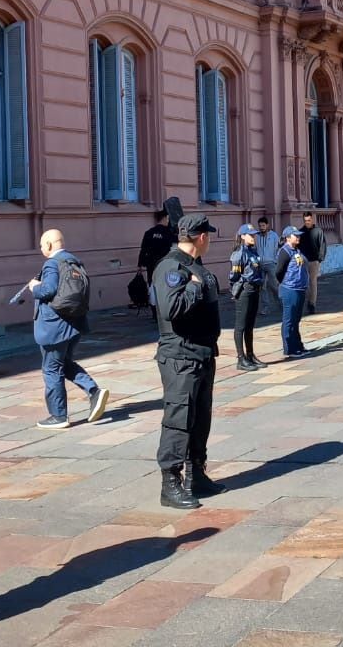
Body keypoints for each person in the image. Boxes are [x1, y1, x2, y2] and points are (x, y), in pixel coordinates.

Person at [153, 213, 224, 509]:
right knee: (178, 419)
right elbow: (172, 308)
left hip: (202, 353)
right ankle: (170, 483)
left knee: (200, 417)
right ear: (202, 237)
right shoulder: (172, 266)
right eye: (208, 235)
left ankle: (197, 473)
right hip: (181, 356)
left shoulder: (195, 265)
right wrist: (193, 287)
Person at [31, 229, 108, 430]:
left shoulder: (51, 264)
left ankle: (58, 415)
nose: (41, 249)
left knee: (51, 369)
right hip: (73, 324)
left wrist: (34, 287)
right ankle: (94, 391)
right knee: (63, 364)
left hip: (54, 327)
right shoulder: (74, 261)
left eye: (41, 245)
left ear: (48, 244)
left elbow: (48, 290)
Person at [229, 224, 265, 370]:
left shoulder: (253, 251)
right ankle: (240, 358)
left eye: (254, 235)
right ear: (243, 236)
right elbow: (234, 276)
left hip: (255, 289)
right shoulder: (239, 253)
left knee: (250, 325)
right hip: (244, 290)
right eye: (250, 235)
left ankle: (250, 355)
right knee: (241, 326)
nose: (253, 237)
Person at [276, 225, 310, 358]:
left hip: (300, 288)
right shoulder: (285, 252)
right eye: (296, 235)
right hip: (290, 289)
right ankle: (289, 348)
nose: (299, 237)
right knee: (289, 319)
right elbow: (278, 272)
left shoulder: (296, 250)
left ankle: (298, 345)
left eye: (299, 235)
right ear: (288, 238)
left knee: (296, 319)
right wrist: (285, 283)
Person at [138, 210, 177, 320]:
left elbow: (143, 250)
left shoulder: (149, 233)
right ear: (165, 218)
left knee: (153, 287)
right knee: (166, 287)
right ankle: (165, 311)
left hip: (152, 265)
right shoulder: (169, 233)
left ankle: (155, 313)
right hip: (166, 265)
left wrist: (139, 265)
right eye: (168, 218)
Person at [299, 210, 326, 314]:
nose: (307, 222)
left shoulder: (318, 231)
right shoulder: (301, 232)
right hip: (303, 261)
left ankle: (312, 304)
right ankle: (305, 301)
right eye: (305, 220)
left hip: (314, 261)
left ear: (312, 219)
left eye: (309, 220)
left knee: (313, 282)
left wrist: (320, 259)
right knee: (304, 283)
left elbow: (322, 245)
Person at [255, 215, 281, 314]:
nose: (261, 228)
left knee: (274, 285)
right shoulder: (256, 236)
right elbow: (255, 249)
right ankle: (266, 307)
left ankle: (280, 304)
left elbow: (278, 248)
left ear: (267, 225)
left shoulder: (273, 235)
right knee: (262, 286)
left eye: (263, 225)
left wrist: (276, 260)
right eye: (260, 226)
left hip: (271, 264)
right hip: (260, 264)